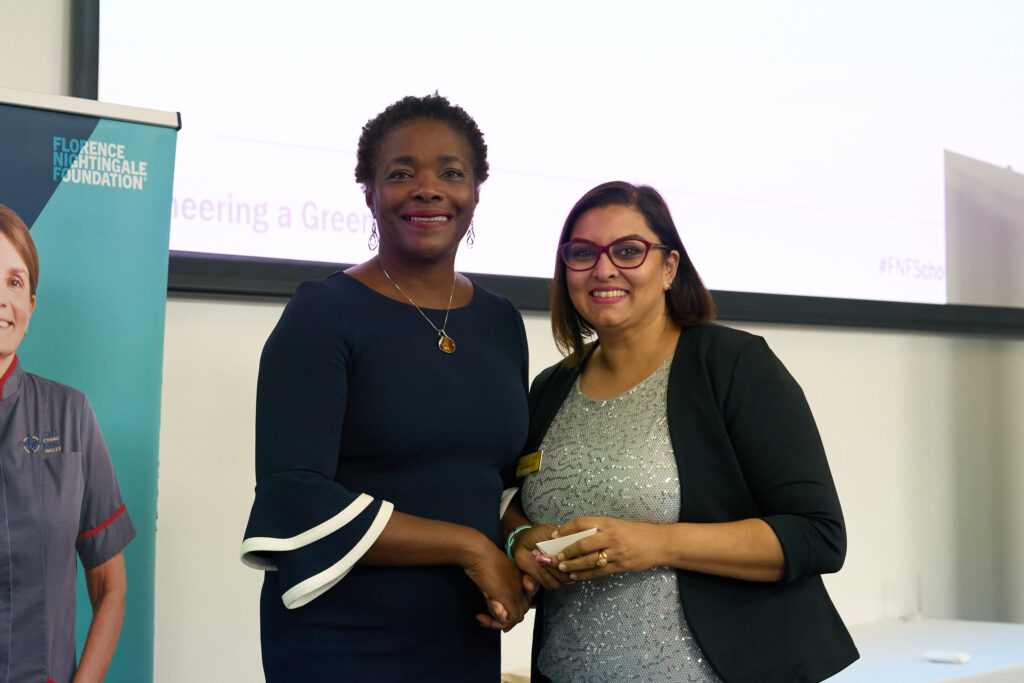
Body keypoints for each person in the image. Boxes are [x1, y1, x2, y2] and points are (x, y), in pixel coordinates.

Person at [502, 181, 858, 682]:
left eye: (628, 251)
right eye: (582, 254)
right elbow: (508, 497)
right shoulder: (551, 388)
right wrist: (519, 535)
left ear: (669, 267)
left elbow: (818, 536)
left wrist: (656, 544)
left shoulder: (732, 366)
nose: (604, 269)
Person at [240, 94, 532, 680]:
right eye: (401, 173)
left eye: (452, 172)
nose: (428, 188)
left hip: (462, 634)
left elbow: (489, 482)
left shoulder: (501, 322)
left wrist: (517, 544)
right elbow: (294, 493)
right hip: (342, 639)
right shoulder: (322, 313)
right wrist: (471, 549)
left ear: (476, 192)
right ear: (369, 193)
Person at [0, 204, 135, 683]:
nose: (2, 298)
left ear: (30, 305)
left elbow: (110, 587)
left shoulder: (70, 415)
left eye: (14, 282)